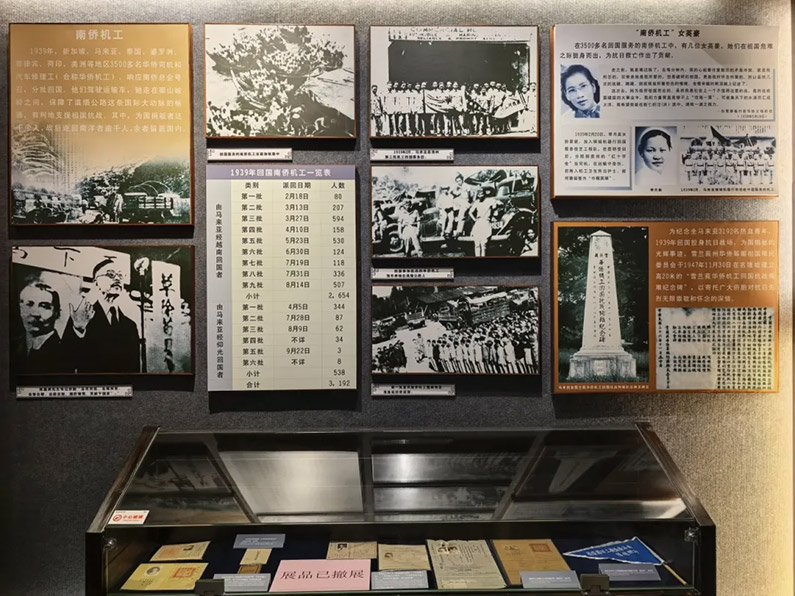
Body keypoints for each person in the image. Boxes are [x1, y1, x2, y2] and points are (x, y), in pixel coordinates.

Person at [65, 258, 141, 373]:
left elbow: (135, 370)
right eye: (110, 274)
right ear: (96, 283)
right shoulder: (82, 317)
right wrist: (78, 330)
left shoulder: (130, 326)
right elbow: (66, 361)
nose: (117, 278)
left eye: (120, 276)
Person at [13, 281, 72, 374]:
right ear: (20, 309)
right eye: (29, 304)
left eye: (44, 306)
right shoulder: (11, 346)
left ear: (56, 313)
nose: (35, 313)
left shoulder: (65, 353)